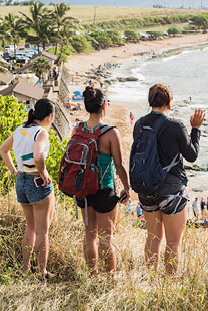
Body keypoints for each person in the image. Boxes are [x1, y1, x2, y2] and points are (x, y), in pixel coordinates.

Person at [135, 83, 205, 275]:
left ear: (151, 102)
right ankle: (170, 285)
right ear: (169, 102)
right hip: (171, 192)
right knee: (173, 243)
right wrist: (196, 129)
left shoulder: (139, 124)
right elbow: (191, 156)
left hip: (147, 190)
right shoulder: (175, 126)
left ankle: (151, 282)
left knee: (152, 238)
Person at [74, 86, 130, 275]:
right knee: (106, 238)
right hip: (105, 189)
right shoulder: (110, 133)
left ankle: (92, 275)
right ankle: (110, 278)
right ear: (104, 106)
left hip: (83, 189)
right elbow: (119, 164)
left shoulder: (78, 128)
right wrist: (127, 188)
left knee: (89, 235)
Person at [0, 98, 56, 279]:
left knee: (30, 227)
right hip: (36, 182)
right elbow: (39, 157)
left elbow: (3, 149)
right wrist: (44, 173)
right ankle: (41, 271)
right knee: (43, 231)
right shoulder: (41, 133)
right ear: (49, 116)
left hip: (21, 180)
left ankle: (25, 267)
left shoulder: (20, 129)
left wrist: (14, 170)